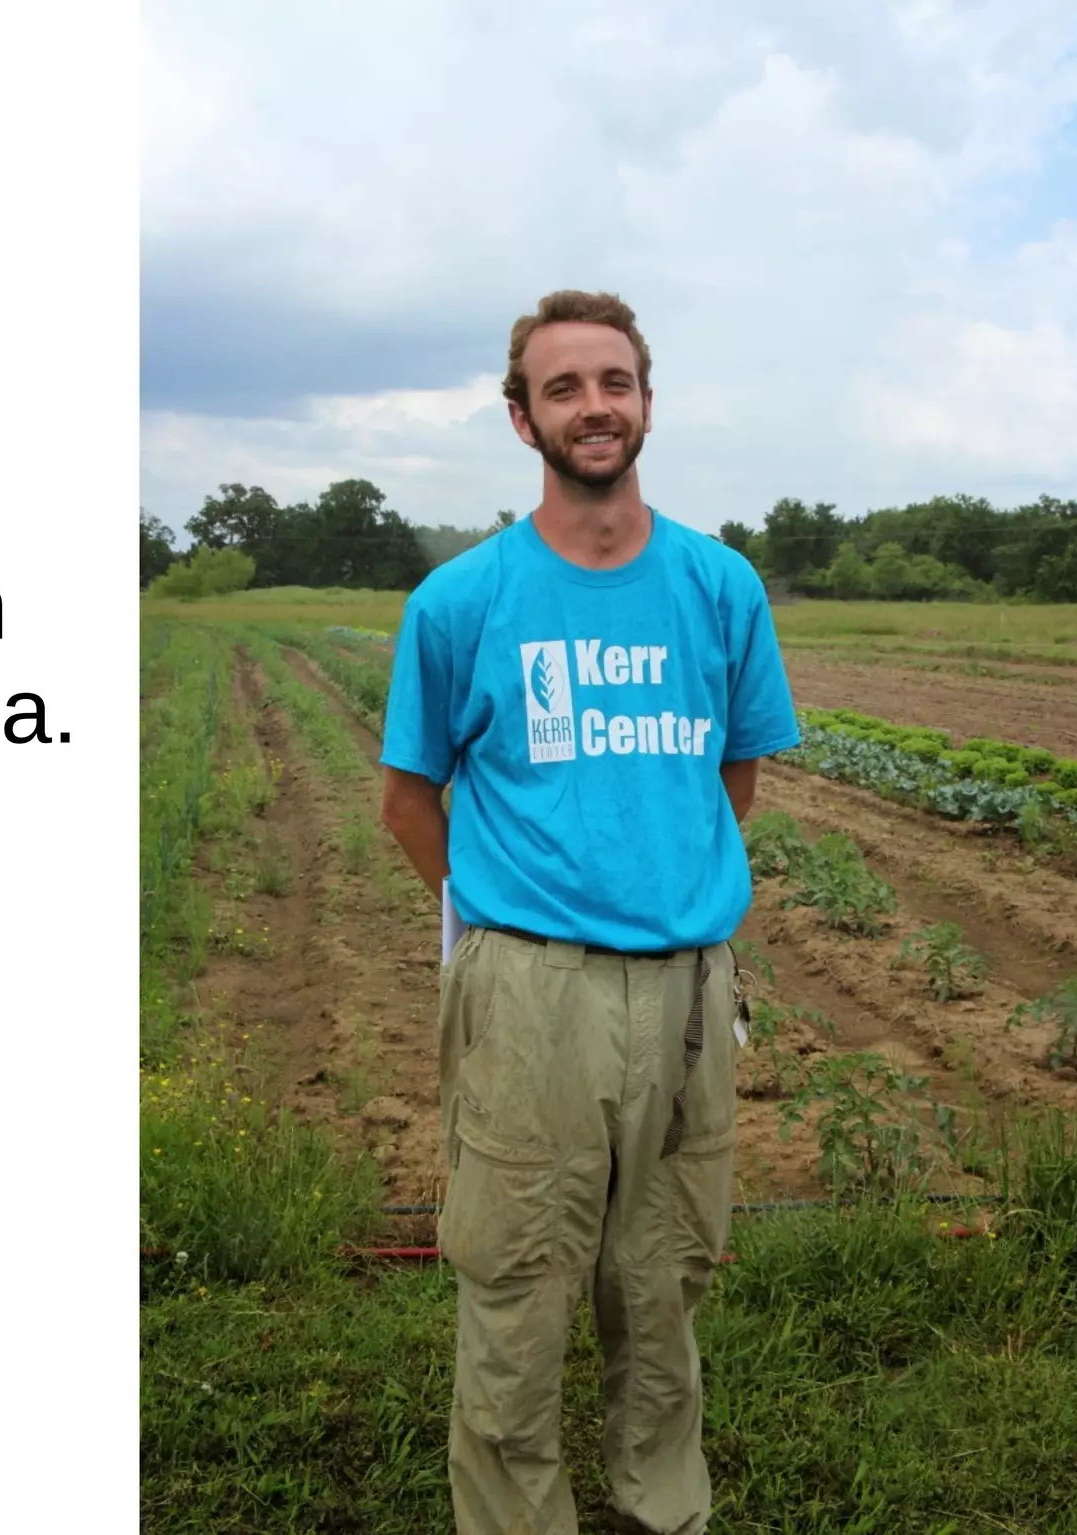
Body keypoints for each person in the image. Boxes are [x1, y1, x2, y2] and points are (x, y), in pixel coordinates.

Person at [378, 290, 800, 1535]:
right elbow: (409, 801)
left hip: (682, 982)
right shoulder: (460, 601)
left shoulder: (718, 586)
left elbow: (733, 779)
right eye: (560, 388)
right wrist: (508, 920)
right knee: (516, 1279)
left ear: (646, 403)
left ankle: (661, 1506)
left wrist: (661, 887)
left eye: (612, 381)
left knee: (662, 1272)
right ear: (521, 421)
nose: (592, 406)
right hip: (528, 987)